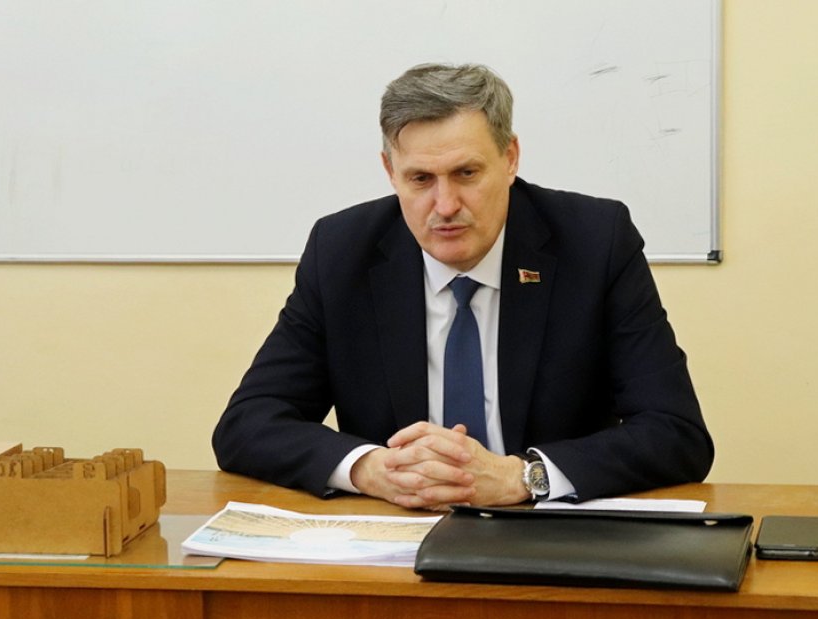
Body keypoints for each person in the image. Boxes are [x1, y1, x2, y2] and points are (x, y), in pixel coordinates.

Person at [213, 63, 713, 509]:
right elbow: (248, 423)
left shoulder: (594, 242)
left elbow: (676, 433)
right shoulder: (343, 252)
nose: (446, 204)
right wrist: (371, 468)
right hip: (396, 537)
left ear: (510, 158)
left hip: (548, 536)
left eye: (466, 173)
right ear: (390, 171)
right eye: (420, 179)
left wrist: (524, 477)